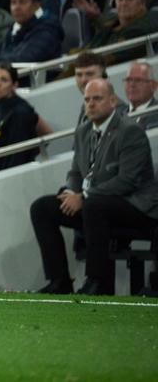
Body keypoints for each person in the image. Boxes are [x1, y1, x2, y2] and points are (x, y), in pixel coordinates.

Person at [30, 79, 158, 295]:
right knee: (42, 208)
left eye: (97, 98)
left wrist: (84, 196)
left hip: (136, 206)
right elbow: (75, 172)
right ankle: (59, 281)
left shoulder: (130, 131)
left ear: (113, 101)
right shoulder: (83, 131)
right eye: (87, 99)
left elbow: (127, 181)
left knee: (93, 206)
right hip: (97, 203)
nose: (90, 104)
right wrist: (71, 192)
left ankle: (97, 282)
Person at [0, 62, 50, 179]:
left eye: (4, 80)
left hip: (10, 176)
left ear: (14, 85)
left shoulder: (20, 112)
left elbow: (45, 134)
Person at [123, 62, 158, 130]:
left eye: (138, 80)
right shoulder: (117, 116)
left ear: (154, 85)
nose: (132, 85)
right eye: (128, 80)